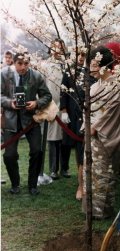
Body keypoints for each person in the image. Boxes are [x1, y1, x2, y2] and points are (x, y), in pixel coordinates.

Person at [82, 46, 120, 219]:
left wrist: (94, 127)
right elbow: (87, 109)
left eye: (93, 65)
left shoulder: (115, 87)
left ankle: (102, 212)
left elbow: (112, 114)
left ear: (104, 65)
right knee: (90, 173)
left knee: (103, 173)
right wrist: (87, 125)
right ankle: (90, 209)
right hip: (91, 135)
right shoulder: (95, 86)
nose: (90, 69)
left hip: (104, 136)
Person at [1, 52, 52, 195]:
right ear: (13, 63)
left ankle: (32, 184)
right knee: (9, 155)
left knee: (37, 151)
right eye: (19, 64)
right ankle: (15, 183)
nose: (23, 67)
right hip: (11, 121)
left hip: (31, 120)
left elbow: (47, 95)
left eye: (26, 64)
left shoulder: (35, 75)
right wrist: (9, 103)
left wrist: (37, 103)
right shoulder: (4, 74)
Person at [60, 52, 97, 200]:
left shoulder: (94, 72)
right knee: (78, 146)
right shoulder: (70, 71)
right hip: (75, 114)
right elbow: (63, 90)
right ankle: (80, 185)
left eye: (83, 55)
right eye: (78, 55)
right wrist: (64, 110)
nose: (81, 58)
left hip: (91, 114)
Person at [40, 38, 71, 180]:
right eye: (56, 47)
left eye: (61, 47)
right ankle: (53, 169)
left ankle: (64, 168)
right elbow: (41, 87)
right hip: (51, 106)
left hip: (67, 107)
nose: (59, 50)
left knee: (66, 139)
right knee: (52, 139)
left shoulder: (68, 64)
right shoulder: (46, 66)